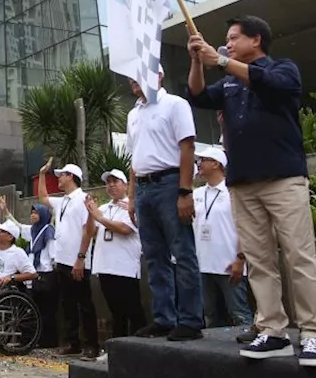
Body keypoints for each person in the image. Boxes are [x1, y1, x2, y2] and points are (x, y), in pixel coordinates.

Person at [187, 16, 316, 366]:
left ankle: (315, 333)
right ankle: (272, 329)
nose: (229, 43)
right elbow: (197, 94)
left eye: (234, 38)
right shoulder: (228, 84)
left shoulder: (283, 69)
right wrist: (196, 60)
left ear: (257, 40)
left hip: (283, 179)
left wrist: (221, 60)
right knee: (259, 261)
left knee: (299, 256)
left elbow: (268, 82)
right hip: (243, 183)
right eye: (226, 40)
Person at [126, 70, 203, 342]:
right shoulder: (133, 114)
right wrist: (132, 197)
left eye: (139, 73)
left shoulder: (175, 104)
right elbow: (134, 159)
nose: (133, 79)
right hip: (144, 188)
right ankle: (164, 318)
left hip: (170, 183)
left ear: (159, 75)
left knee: (182, 252)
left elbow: (187, 147)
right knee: (154, 256)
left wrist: (185, 190)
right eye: (130, 75)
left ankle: (191, 320)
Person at [36, 160, 99, 358]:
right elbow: (43, 198)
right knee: (68, 304)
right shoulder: (62, 200)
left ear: (71, 176)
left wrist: (80, 258)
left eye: (61, 175)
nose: (59, 179)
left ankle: (92, 344)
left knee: (84, 305)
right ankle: (73, 343)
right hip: (62, 261)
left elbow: (87, 231)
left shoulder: (83, 199)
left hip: (77, 261)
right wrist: (42, 174)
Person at [79, 169, 145, 347]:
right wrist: (91, 213)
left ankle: (141, 348)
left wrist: (99, 217)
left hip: (125, 268)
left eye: (115, 181)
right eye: (108, 182)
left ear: (125, 185)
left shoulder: (130, 206)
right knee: (115, 312)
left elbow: (125, 229)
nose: (111, 185)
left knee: (132, 310)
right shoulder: (104, 208)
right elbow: (90, 232)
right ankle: (117, 350)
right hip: (105, 266)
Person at [193, 147, 253, 330]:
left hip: (229, 265)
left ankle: (250, 349)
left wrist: (240, 259)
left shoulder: (232, 192)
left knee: (239, 313)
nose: (199, 164)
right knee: (210, 315)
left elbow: (246, 226)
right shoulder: (195, 194)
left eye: (203, 159)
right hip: (202, 266)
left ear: (216, 163)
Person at [27, 200, 59, 348]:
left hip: (47, 273)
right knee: (37, 308)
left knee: (48, 309)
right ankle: (39, 339)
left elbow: (52, 253)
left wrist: (54, 269)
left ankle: (50, 340)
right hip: (36, 273)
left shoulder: (48, 230)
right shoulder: (33, 230)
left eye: (36, 213)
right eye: (32, 213)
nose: (33, 216)